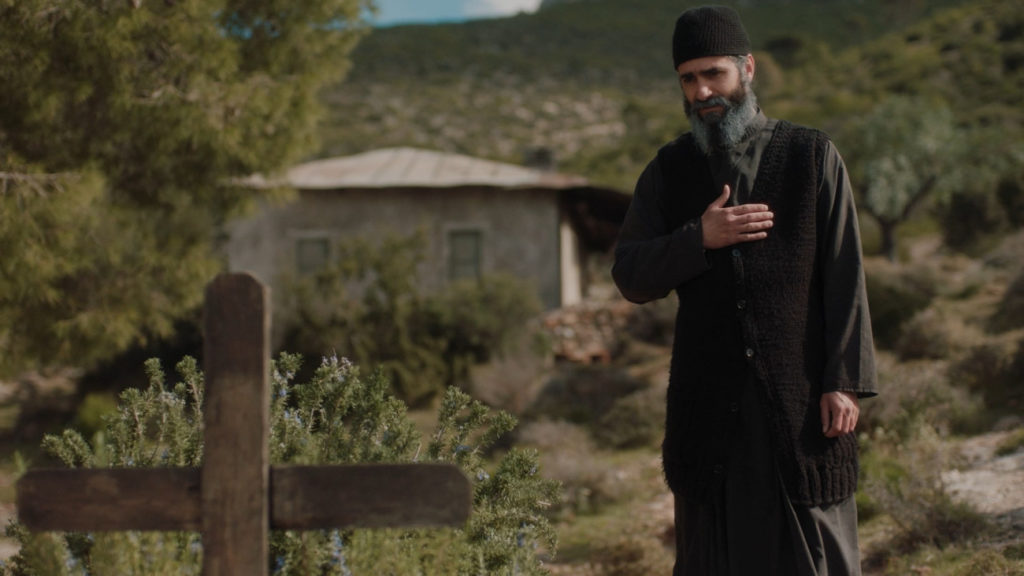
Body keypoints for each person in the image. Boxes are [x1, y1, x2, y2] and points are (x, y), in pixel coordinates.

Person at [611, 5, 878, 575]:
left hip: (801, 409)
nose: (702, 91)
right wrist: (697, 239)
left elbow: (844, 275)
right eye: (688, 78)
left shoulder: (811, 156)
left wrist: (844, 382)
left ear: (747, 69)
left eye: (714, 73)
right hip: (709, 415)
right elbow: (630, 274)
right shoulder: (668, 171)